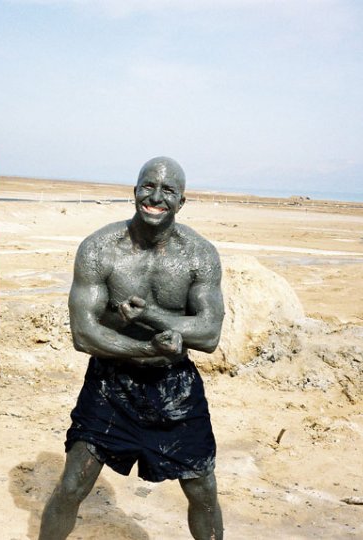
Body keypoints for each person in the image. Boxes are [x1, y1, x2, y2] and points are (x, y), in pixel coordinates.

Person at [39, 157, 225, 540]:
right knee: (73, 484)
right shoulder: (100, 249)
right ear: (135, 191)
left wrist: (155, 316)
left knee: (203, 491)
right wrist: (146, 349)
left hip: (175, 386)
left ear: (182, 202)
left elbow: (208, 335)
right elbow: (83, 335)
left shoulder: (197, 255)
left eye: (168, 191)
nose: (155, 197)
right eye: (147, 187)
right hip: (110, 382)